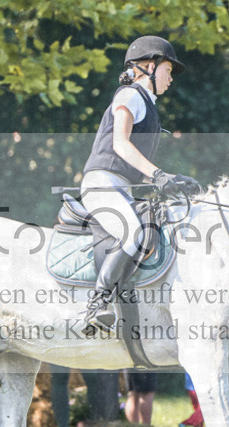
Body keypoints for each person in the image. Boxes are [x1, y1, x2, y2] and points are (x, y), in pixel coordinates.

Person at [79, 35, 200, 334]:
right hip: (101, 183)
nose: (171, 78)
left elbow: (134, 163)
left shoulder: (148, 105)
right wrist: (158, 175)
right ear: (149, 65)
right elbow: (120, 145)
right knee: (132, 233)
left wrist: (171, 180)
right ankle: (97, 304)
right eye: (168, 71)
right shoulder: (130, 94)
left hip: (120, 185)